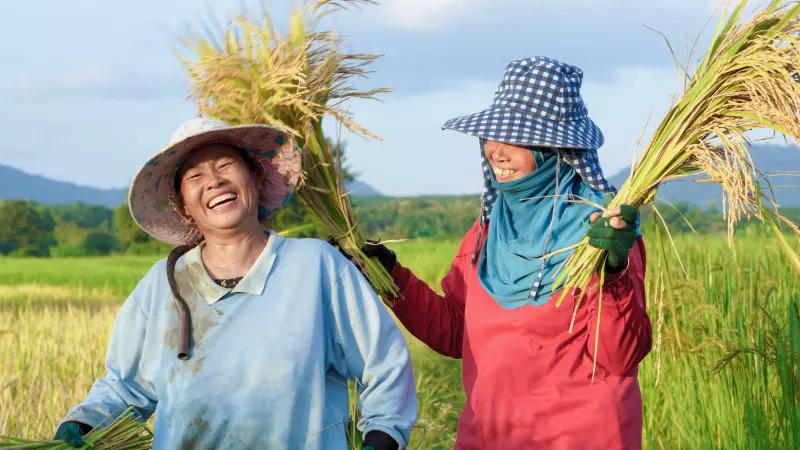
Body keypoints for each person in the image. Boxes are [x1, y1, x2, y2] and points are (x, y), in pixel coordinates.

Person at [53, 118, 417, 450]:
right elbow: (126, 387)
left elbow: (384, 365)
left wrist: (382, 439)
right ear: (183, 206)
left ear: (255, 179)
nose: (213, 181)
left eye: (225, 166)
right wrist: (81, 424)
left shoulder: (315, 267)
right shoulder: (162, 286)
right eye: (195, 177)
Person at [359, 57, 651, 449]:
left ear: (555, 148)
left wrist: (613, 272)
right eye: (492, 135)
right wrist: (390, 276)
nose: (495, 150)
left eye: (514, 136)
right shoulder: (486, 232)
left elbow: (621, 356)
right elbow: (455, 332)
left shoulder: (601, 231)